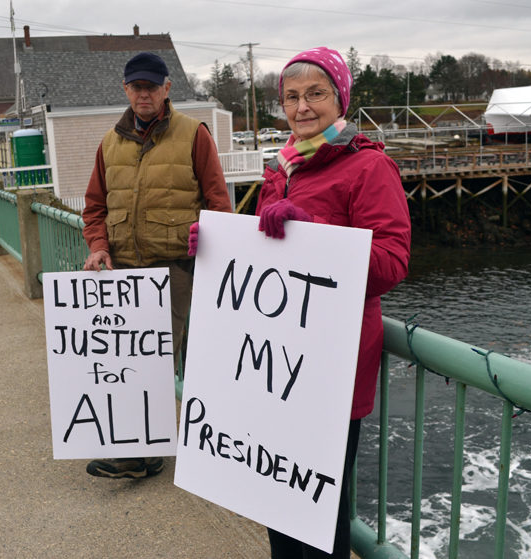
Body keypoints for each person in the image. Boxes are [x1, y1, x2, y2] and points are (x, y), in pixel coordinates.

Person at [255, 47, 411, 558]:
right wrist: (215, 247)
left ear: (340, 98)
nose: (302, 107)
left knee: (321, 513)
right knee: (278, 499)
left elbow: (391, 262)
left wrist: (311, 231)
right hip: (277, 362)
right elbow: (265, 254)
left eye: (316, 94)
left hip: (331, 365)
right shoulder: (281, 166)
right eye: (292, 97)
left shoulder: (369, 166)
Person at [81, 52, 232, 479]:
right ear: (126, 90)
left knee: (160, 363)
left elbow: (220, 205)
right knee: (128, 363)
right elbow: (94, 207)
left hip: (176, 270)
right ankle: (144, 454)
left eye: (151, 86)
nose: (143, 93)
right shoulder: (109, 142)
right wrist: (98, 246)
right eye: (136, 86)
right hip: (124, 272)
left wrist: (214, 256)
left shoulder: (193, 135)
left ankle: (138, 455)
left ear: (167, 88)